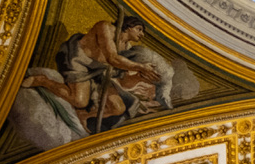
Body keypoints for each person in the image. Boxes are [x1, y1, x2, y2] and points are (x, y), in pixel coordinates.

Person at [20, 16, 160, 132]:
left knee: (118, 108)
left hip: (98, 71)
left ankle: (84, 115)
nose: (142, 35)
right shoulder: (106, 27)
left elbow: (121, 78)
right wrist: (141, 67)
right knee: (79, 101)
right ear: (128, 26)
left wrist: (139, 77)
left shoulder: (126, 47)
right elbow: (112, 58)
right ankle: (42, 80)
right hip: (79, 61)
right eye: (139, 29)